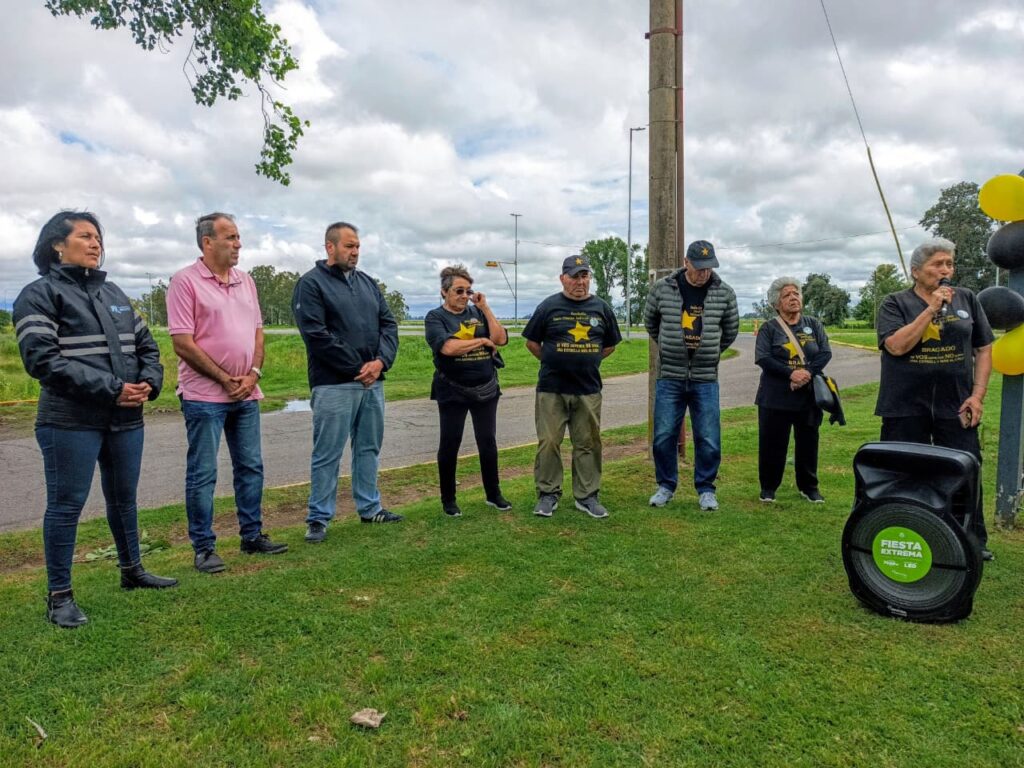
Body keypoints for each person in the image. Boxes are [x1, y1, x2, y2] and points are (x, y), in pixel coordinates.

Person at [14, 211, 177, 628]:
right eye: (85, 236)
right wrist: (112, 388)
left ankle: (132, 570)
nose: (95, 244)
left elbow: (147, 347)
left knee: (124, 499)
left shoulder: (114, 292)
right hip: (69, 422)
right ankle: (60, 597)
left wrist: (149, 383)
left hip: (126, 419)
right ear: (57, 244)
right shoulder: (38, 294)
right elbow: (42, 361)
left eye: (98, 238)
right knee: (66, 506)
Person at [167, 212, 288, 574]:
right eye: (230, 237)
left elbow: (257, 333)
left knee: (250, 466)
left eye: (238, 237)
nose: (238, 244)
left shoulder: (246, 281)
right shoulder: (185, 282)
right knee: (203, 472)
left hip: (246, 393)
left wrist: (253, 374)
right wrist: (223, 378)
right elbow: (182, 343)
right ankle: (204, 548)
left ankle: (252, 535)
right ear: (207, 242)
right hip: (203, 396)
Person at [875, 237, 995, 560]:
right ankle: (904, 532)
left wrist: (977, 396)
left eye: (949, 264)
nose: (946, 270)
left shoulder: (967, 299)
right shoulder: (894, 303)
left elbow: (984, 349)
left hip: (956, 403)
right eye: (937, 264)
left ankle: (971, 540)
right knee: (902, 471)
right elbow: (896, 346)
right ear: (916, 271)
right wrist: (931, 309)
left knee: (964, 469)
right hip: (904, 405)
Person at [293, 221, 401, 542]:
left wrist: (380, 362)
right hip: (334, 384)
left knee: (368, 447)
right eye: (349, 246)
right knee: (328, 453)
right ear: (330, 246)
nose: (355, 252)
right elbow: (316, 334)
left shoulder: (367, 283)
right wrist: (359, 368)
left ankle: (370, 508)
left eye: (357, 247)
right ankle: (318, 518)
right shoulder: (311, 284)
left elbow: (388, 325)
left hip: (373, 383)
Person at [523, 255, 622, 518]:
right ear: (562, 279)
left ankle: (587, 496)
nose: (580, 282)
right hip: (551, 389)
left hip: (588, 389)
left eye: (584, 276)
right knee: (549, 442)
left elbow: (610, 345)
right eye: (574, 276)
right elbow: (532, 342)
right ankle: (548, 494)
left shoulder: (601, 308)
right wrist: (554, 360)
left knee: (587, 443)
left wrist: (586, 361)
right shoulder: (549, 306)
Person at [644, 240, 739, 511]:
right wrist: (670, 347)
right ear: (686, 263)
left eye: (709, 268)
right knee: (664, 435)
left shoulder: (725, 293)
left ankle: (706, 489)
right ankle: (665, 486)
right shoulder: (662, 289)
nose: (704, 273)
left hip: (705, 377)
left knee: (708, 437)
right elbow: (651, 322)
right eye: (699, 267)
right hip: (670, 376)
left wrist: (709, 351)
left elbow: (730, 330)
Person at [424, 266, 512, 517]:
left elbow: (501, 339)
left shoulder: (478, 313)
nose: (464, 296)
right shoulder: (435, 317)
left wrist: (485, 308)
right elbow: (448, 348)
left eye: (468, 291)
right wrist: (482, 341)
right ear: (444, 292)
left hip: (486, 388)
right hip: (452, 390)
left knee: (488, 441)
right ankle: (449, 500)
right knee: (450, 443)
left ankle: (493, 494)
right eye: (458, 291)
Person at [754, 278, 832, 503]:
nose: (793, 298)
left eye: (796, 293)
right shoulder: (769, 328)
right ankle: (768, 487)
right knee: (772, 444)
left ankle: (809, 487)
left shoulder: (813, 324)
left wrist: (805, 373)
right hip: (775, 397)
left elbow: (825, 353)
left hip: (808, 396)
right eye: (787, 295)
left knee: (808, 443)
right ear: (776, 303)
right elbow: (763, 358)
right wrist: (790, 374)